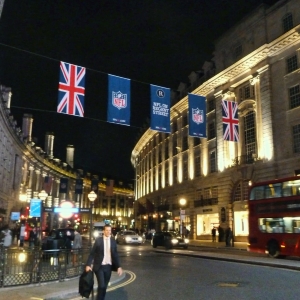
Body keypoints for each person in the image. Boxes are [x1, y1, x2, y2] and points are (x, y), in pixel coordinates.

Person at [86, 224, 123, 300]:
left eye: (109, 230)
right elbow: (92, 253)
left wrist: (119, 266)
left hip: (108, 267)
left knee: (104, 286)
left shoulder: (113, 241)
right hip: (99, 267)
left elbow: (115, 255)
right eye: (107, 230)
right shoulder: (98, 241)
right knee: (101, 285)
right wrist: (88, 264)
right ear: (103, 231)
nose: (108, 232)